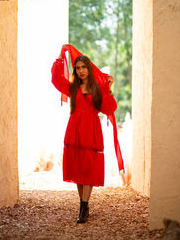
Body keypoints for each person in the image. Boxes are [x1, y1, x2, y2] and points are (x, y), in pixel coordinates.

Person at [51, 44, 124, 224]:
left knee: (88, 166)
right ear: (75, 70)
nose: (81, 70)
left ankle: (84, 206)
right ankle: (83, 205)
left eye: (84, 67)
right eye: (78, 67)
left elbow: (109, 108)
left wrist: (107, 89)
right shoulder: (72, 88)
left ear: (89, 69)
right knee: (78, 166)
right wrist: (61, 56)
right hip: (74, 128)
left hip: (91, 129)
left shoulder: (97, 88)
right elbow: (55, 79)